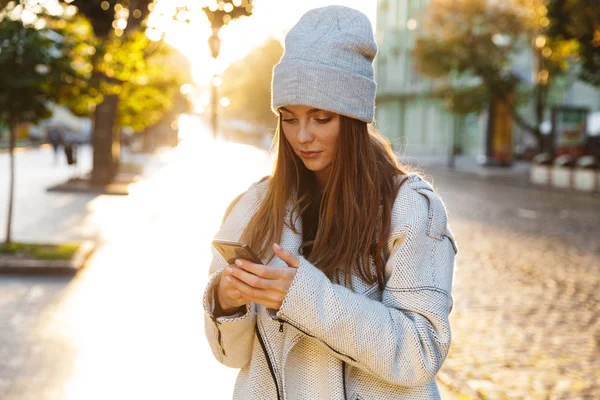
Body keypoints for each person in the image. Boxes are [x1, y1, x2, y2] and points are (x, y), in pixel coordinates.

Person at [203, 6, 458, 399]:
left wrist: (303, 297)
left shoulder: (409, 208)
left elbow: (420, 352)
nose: (302, 135)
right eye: (288, 118)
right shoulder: (253, 207)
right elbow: (233, 356)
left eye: (321, 118)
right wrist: (226, 301)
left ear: (353, 117)